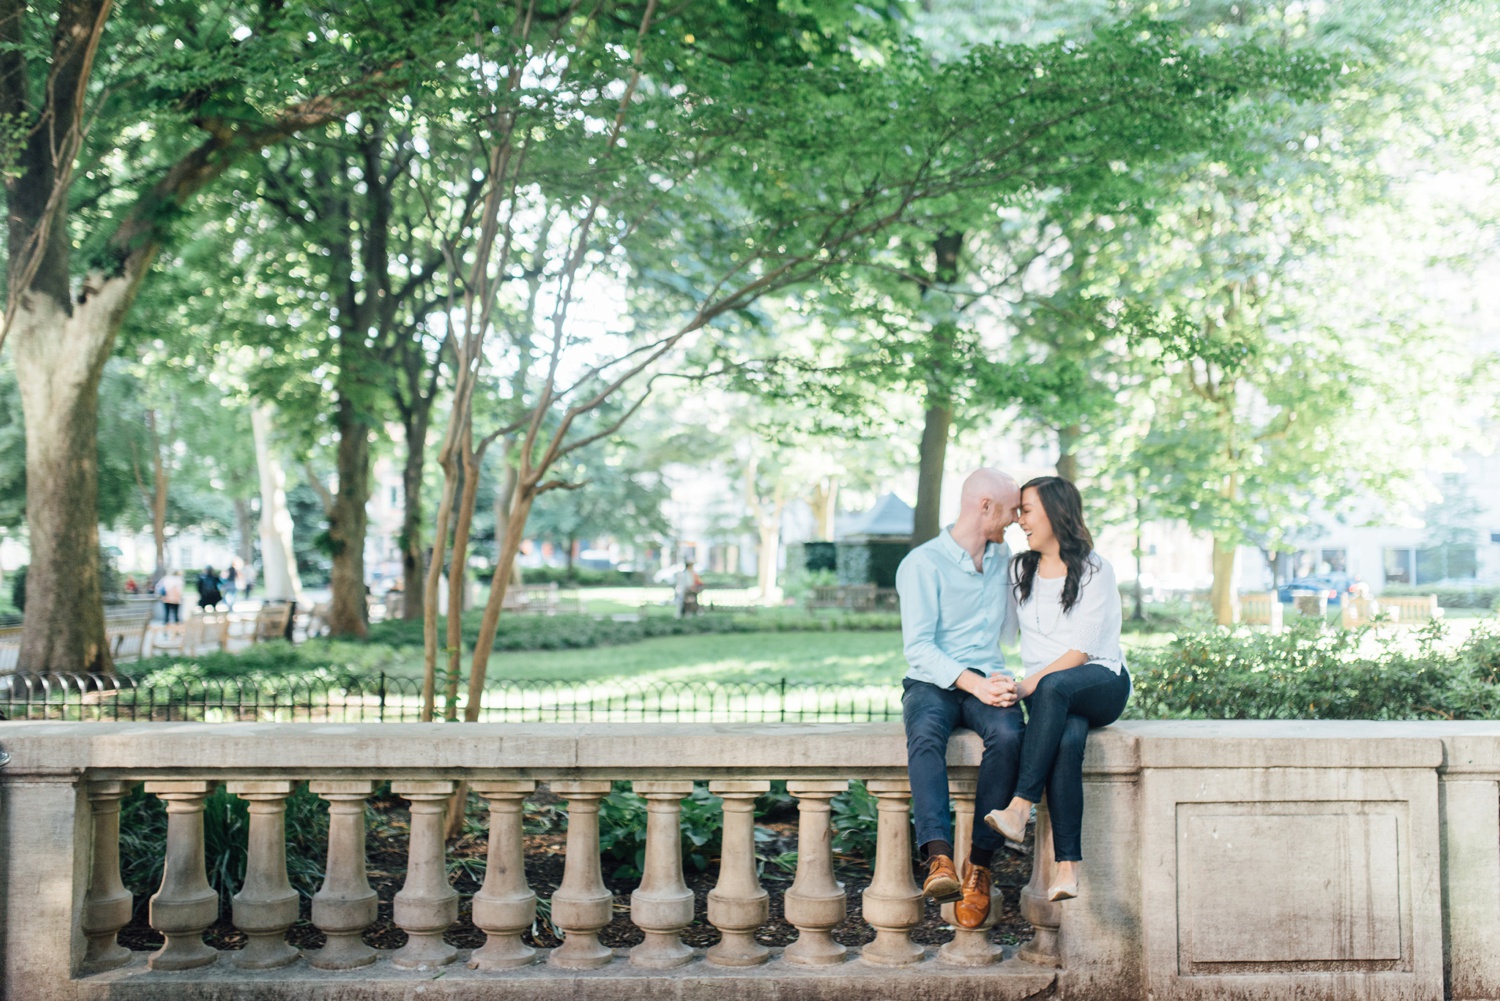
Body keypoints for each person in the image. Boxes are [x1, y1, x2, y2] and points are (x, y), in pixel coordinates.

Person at [984, 476, 1130, 903]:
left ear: (1054, 512)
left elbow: (1082, 650)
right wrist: (994, 677)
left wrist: (1028, 685)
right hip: (1055, 696)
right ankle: (1068, 867)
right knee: (1066, 739)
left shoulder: (1095, 568)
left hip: (1102, 681)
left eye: (1026, 510)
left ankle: (1020, 806)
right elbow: (1002, 633)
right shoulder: (1018, 568)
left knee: (1054, 686)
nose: (1020, 521)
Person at [895, 467, 1023, 930]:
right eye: (1010, 511)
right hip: (934, 680)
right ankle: (939, 859)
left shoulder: (1004, 558)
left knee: (1010, 735)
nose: (1014, 520)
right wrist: (973, 682)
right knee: (926, 734)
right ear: (984, 506)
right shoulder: (922, 564)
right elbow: (920, 649)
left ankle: (980, 867)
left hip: (987, 676)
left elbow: (1014, 627)